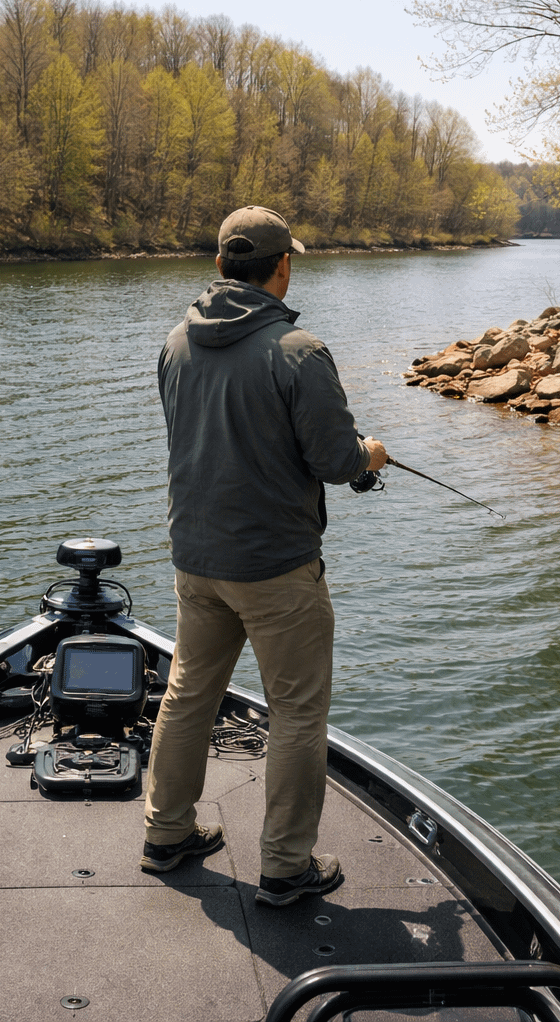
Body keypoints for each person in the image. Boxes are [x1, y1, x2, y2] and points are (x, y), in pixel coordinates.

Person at [140, 206, 388, 907]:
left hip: (196, 560)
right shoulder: (299, 351)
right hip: (278, 569)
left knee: (190, 694)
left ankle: (166, 833)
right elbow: (339, 461)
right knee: (297, 714)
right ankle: (284, 866)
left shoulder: (174, 343)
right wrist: (372, 452)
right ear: (283, 267)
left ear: (220, 266)